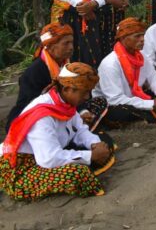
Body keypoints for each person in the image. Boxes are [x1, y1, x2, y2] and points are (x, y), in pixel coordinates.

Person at [0, 63, 112, 201]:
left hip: (46, 154)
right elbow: (49, 159)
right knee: (77, 174)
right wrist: (90, 155)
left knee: (103, 141)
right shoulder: (42, 116)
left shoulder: (66, 104)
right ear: (67, 89)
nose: (87, 97)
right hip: (21, 166)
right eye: (84, 92)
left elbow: (80, 130)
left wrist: (94, 144)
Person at [5, 23, 107, 133]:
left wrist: (82, 111)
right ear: (51, 46)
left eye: (71, 42)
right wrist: (71, 116)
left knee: (100, 101)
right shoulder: (34, 72)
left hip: (65, 109)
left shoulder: (68, 66)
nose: (71, 47)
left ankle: (78, 129)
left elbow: (76, 94)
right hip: (41, 116)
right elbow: (31, 107)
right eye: (66, 43)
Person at [94, 18, 156, 125]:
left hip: (136, 97)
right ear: (123, 38)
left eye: (143, 35)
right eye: (137, 36)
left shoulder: (141, 57)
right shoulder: (109, 64)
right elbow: (115, 99)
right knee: (122, 112)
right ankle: (154, 111)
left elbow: (153, 80)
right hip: (115, 104)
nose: (142, 39)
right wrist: (151, 103)